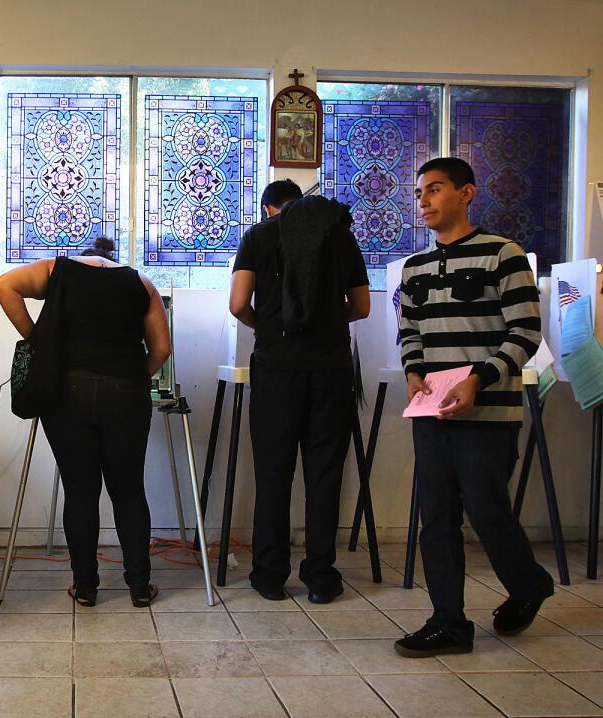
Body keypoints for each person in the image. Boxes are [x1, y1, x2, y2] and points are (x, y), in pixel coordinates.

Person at [394, 157, 553, 658]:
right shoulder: (414, 267)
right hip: (432, 412)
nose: (425, 201)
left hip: (486, 411)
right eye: (420, 193)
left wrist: (477, 381)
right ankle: (449, 623)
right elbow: (410, 333)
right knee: (436, 516)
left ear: (466, 193)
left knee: (487, 512)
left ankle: (528, 584)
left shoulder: (503, 255)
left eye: (435, 189)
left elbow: (526, 334)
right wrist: (414, 374)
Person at [0, 237, 171, 608]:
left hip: (68, 391)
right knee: (129, 491)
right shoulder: (141, 283)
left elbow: (4, 285)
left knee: (80, 491)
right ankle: (139, 586)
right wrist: (133, 377)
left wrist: (39, 341)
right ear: (110, 261)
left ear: (85, 258)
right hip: (126, 393)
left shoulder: (57, 269)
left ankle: (86, 586)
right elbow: (161, 350)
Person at [229, 180, 370, 604]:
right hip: (330, 369)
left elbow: (238, 304)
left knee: (273, 473)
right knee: (324, 474)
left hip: (277, 368)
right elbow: (361, 307)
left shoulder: (258, 235)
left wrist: (270, 328)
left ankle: (270, 576)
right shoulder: (341, 235)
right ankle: (321, 577)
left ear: (269, 208)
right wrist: (325, 326)